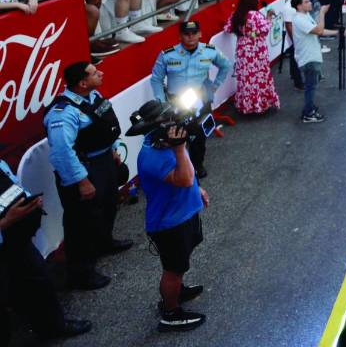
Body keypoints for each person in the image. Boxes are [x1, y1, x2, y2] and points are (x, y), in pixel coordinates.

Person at [43, 62, 132, 291]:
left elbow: (102, 125)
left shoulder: (93, 95)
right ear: (82, 83)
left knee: (108, 205)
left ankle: (104, 242)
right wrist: (81, 181)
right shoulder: (63, 113)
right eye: (94, 73)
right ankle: (81, 274)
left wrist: (111, 151)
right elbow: (62, 152)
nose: (101, 73)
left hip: (103, 160)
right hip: (84, 168)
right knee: (81, 223)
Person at [128, 103, 209, 333]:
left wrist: (198, 190)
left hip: (184, 214)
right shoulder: (154, 156)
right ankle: (171, 313)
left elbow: (189, 175)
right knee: (173, 269)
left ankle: (177, 290)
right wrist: (180, 148)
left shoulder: (167, 145)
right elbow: (183, 179)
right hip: (170, 224)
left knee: (181, 263)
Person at [0, 159, 92, 341]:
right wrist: (6, 221)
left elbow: (12, 186)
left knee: (38, 279)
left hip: (15, 239)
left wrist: (30, 200)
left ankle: (53, 327)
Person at [148, 22, 232, 178]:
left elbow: (225, 65)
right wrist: (161, 102)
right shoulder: (167, 54)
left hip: (199, 100)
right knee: (174, 136)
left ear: (200, 33)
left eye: (194, 33)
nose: (190, 37)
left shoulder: (209, 51)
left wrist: (214, 87)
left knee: (199, 135)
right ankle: (176, 169)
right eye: (186, 34)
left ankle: (197, 165)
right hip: (175, 103)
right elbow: (156, 79)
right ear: (180, 36)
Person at [225, 0, 279, 115]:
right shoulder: (255, 15)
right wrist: (269, 17)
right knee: (260, 77)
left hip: (243, 50)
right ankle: (261, 105)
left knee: (246, 78)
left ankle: (246, 106)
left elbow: (227, 29)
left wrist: (244, 32)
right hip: (257, 50)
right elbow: (265, 29)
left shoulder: (236, 15)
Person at [291, 0, 331, 123]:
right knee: (310, 87)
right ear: (299, 6)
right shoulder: (299, 19)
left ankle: (309, 108)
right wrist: (322, 13)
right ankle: (308, 113)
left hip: (312, 57)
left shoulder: (305, 16)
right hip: (308, 59)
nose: (310, 3)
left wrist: (337, 32)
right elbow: (319, 30)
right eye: (306, 2)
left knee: (311, 86)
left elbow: (319, 30)